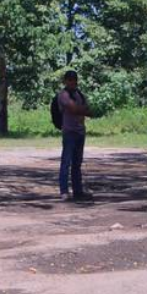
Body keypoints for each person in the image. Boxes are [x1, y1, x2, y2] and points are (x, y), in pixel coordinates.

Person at [58, 70, 93, 201]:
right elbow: (74, 108)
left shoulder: (79, 94)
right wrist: (86, 111)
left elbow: (86, 108)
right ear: (66, 81)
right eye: (70, 80)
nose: (73, 82)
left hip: (80, 131)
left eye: (75, 79)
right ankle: (64, 191)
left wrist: (86, 111)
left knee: (77, 163)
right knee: (66, 162)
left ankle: (78, 191)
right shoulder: (63, 95)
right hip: (69, 132)